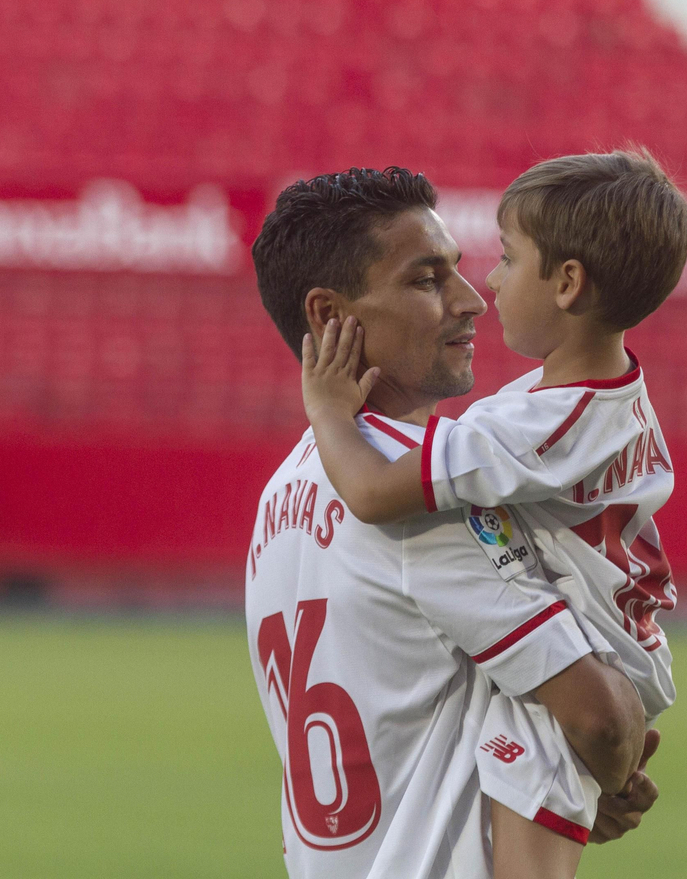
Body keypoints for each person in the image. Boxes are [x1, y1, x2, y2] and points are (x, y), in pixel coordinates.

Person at [245, 166, 659, 879]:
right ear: (327, 314)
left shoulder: (282, 492)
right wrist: (610, 771)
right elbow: (599, 717)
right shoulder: (420, 502)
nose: (471, 300)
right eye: (426, 279)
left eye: (462, 270)